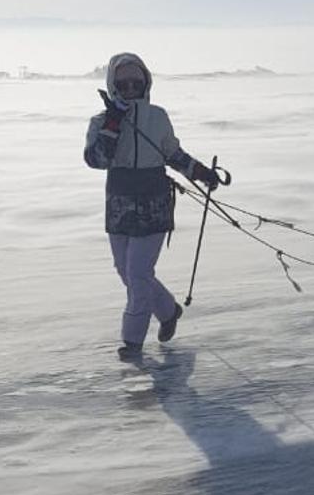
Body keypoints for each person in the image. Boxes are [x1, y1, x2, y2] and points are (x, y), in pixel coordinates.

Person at [84, 52, 224, 361]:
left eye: (137, 81)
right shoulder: (100, 121)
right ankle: (167, 310)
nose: (131, 87)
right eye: (123, 82)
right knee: (126, 271)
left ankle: (132, 342)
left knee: (137, 274)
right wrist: (113, 122)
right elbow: (97, 160)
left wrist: (201, 173)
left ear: (146, 82)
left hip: (153, 204)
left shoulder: (157, 117)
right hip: (119, 204)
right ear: (113, 85)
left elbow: (172, 154)